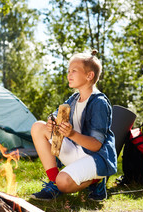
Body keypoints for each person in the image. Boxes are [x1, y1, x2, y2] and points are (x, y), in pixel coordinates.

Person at [30, 50, 117, 201]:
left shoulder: (99, 103)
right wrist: (51, 122)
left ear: (89, 76)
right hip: (76, 152)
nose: (69, 75)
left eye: (74, 71)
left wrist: (71, 134)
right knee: (38, 126)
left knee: (63, 182)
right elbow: (56, 115)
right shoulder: (74, 99)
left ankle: (97, 181)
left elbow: (96, 145)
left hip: (95, 157)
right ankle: (53, 184)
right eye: (68, 71)